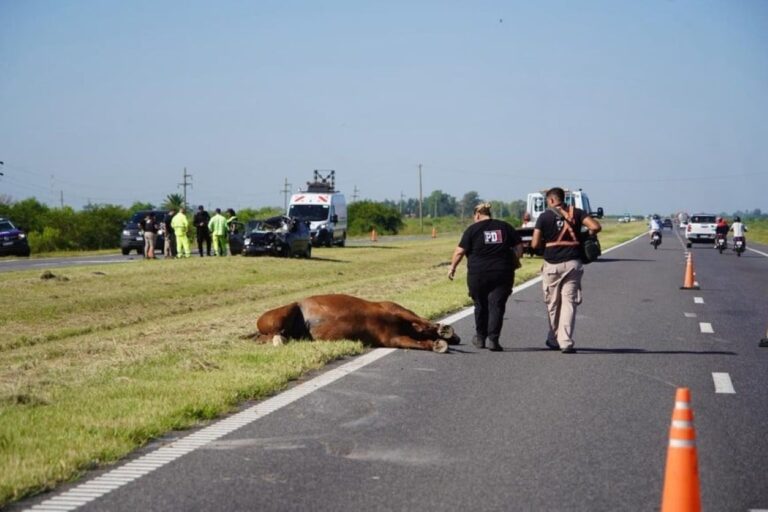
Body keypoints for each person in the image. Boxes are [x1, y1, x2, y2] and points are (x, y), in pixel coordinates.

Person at [531, 187, 602, 354]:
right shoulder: (576, 212)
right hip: (573, 263)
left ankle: (553, 338)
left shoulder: (544, 216)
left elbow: (534, 244)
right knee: (569, 303)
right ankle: (566, 341)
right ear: (563, 199)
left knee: (553, 303)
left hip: (552, 264)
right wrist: (586, 235)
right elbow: (596, 226)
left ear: (551, 200)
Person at [448, 202, 523, 352]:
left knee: (480, 304)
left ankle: (480, 337)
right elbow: (519, 247)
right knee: (497, 305)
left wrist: (452, 267)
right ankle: (493, 339)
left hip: (478, 274)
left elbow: (459, 252)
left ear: (477, 215)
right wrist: (515, 258)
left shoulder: (472, 230)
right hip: (503, 272)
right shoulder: (505, 227)